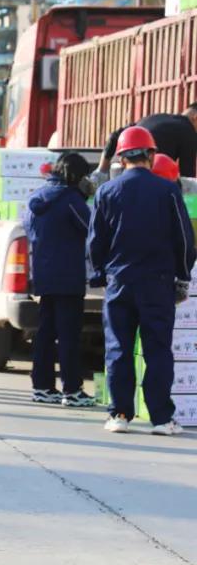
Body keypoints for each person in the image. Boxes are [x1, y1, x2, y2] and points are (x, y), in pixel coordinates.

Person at [88, 125, 196, 436]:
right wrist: (182, 278)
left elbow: (96, 240)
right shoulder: (167, 190)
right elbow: (183, 240)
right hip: (157, 284)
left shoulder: (107, 192)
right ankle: (161, 419)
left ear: (121, 159)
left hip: (119, 281)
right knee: (157, 349)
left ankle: (120, 414)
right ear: (151, 155)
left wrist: (99, 274)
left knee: (118, 348)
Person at [22, 153, 95, 407]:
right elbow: (92, 230)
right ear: (75, 176)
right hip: (68, 277)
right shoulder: (71, 201)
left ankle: (42, 386)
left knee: (45, 332)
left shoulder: (36, 197)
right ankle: (72, 390)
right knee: (69, 335)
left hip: (43, 275)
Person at [137, 103, 197, 178]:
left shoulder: (154, 117)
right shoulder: (188, 129)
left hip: (123, 164)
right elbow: (187, 172)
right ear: (195, 117)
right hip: (146, 172)